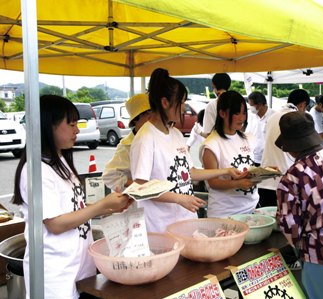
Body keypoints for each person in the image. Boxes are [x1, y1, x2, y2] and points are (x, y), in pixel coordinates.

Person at [12, 95, 132, 299]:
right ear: (48, 126)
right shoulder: (36, 171)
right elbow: (55, 224)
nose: (77, 130)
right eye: (72, 124)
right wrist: (102, 205)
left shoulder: (59, 161)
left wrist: (109, 207)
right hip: (55, 277)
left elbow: (72, 208)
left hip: (78, 270)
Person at [130, 68, 245, 232]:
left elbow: (190, 172)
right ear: (165, 102)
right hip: (161, 227)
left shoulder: (175, 134)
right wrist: (179, 198)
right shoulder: (146, 137)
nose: (184, 108)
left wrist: (226, 170)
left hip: (185, 221)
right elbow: (140, 188)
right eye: (182, 102)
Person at [276, 111, 323, 299]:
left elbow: (288, 224)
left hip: (319, 254)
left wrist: (299, 246)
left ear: (291, 146)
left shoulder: (292, 177)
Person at [201, 90, 258, 218]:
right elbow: (213, 183)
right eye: (237, 113)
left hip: (250, 208)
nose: (242, 118)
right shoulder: (211, 145)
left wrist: (267, 171)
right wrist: (237, 184)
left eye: (244, 113)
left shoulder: (248, 138)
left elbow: (250, 168)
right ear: (222, 113)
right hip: (224, 213)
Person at [258, 89, 310, 207]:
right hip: (285, 181)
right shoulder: (297, 118)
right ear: (303, 104)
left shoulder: (272, 117)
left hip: (265, 181)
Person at [102, 93, 152, 191]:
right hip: (138, 201)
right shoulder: (127, 145)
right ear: (135, 120)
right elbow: (109, 176)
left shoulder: (158, 137)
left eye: (153, 113)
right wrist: (141, 186)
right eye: (147, 115)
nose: (152, 119)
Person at [245, 91, 275, 166]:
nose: (250, 107)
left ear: (259, 105)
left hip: (267, 158)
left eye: (251, 105)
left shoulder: (274, 116)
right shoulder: (250, 115)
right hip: (252, 157)